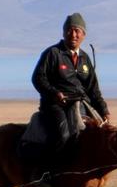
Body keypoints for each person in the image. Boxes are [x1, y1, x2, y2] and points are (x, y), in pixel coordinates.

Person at [28, 12, 110, 167]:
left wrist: (104, 110)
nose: (73, 34)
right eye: (70, 30)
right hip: (56, 105)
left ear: (83, 35)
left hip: (80, 104)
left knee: (98, 135)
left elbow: (93, 89)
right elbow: (38, 78)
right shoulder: (52, 53)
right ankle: (53, 172)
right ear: (64, 32)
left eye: (77, 31)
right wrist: (54, 93)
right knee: (64, 135)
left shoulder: (85, 58)